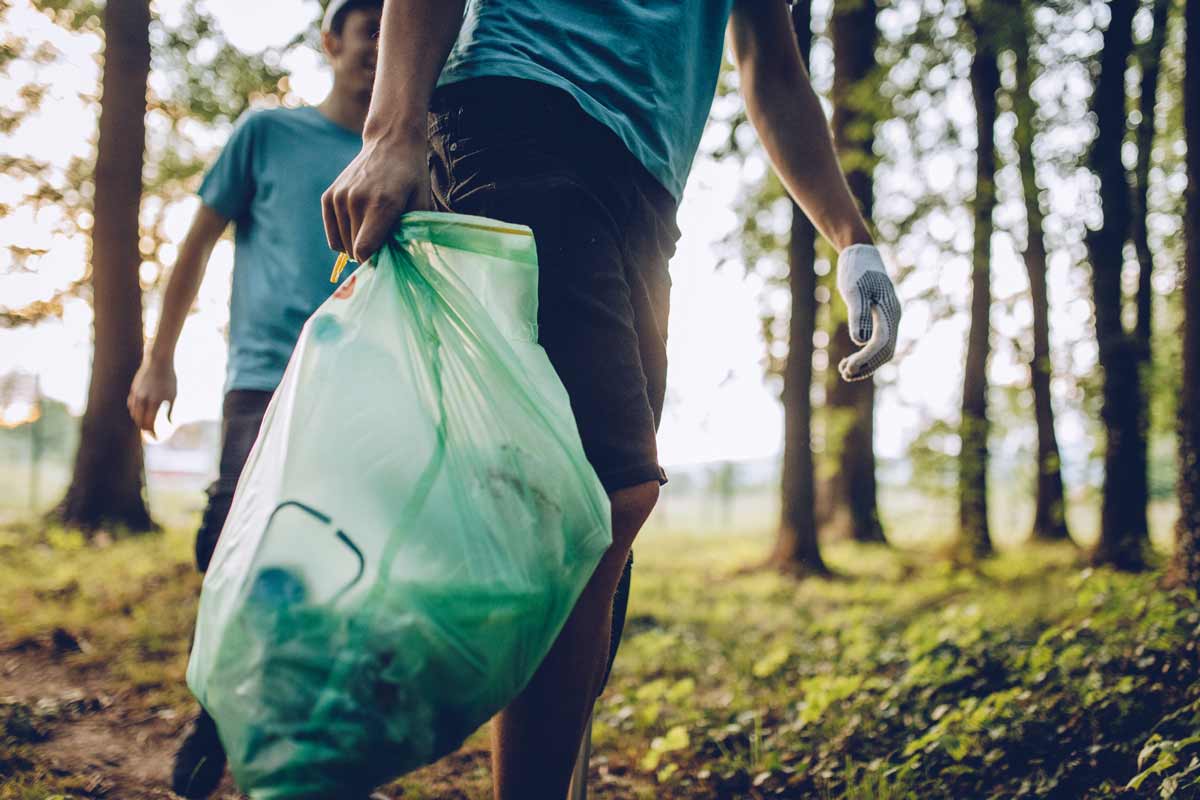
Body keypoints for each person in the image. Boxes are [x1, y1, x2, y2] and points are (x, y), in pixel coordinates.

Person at [322, 1, 904, 797]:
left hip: (647, 183)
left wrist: (852, 238)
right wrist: (391, 129)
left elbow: (771, 62)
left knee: (590, 525)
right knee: (601, 495)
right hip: (520, 106)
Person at [126, 1, 383, 796]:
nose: (379, 49)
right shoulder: (268, 135)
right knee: (229, 533)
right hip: (264, 375)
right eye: (367, 33)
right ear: (332, 42)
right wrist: (157, 358)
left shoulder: (409, 152)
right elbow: (197, 241)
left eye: (393, 35)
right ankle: (217, 707)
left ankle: (304, 726)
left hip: (361, 383)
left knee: (340, 551)